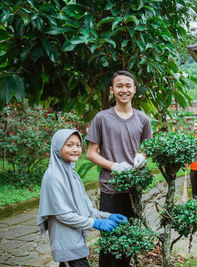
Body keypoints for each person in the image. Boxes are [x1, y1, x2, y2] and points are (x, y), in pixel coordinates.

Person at [85, 70, 152, 267]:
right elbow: (91, 153)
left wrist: (143, 156)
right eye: (119, 86)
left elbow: (148, 149)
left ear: (134, 90)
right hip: (110, 189)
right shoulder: (101, 118)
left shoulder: (143, 119)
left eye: (128, 86)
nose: (124, 89)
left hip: (133, 190)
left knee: (129, 241)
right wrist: (113, 165)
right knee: (110, 242)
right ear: (112, 90)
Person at [38, 129, 127, 267]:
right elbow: (63, 215)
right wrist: (95, 223)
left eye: (78, 145)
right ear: (57, 147)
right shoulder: (53, 177)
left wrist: (108, 216)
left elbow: (87, 209)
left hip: (76, 241)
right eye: (69, 145)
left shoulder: (73, 175)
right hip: (67, 244)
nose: (75, 149)